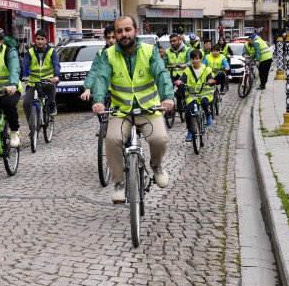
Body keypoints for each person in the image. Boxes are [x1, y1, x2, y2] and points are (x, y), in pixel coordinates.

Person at [91, 15, 175, 203]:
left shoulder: (149, 51)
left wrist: (168, 97)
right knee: (112, 140)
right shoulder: (108, 54)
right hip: (121, 111)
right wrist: (98, 101)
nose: (123, 34)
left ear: (136, 31)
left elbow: (161, 74)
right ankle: (119, 183)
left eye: (127, 30)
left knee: (159, 139)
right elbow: (102, 78)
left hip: (148, 109)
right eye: (119, 31)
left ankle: (157, 165)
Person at [176, 49, 215, 141]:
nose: (195, 61)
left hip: (204, 93)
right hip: (191, 95)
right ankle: (190, 131)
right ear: (190, 60)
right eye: (193, 59)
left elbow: (211, 78)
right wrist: (179, 81)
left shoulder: (206, 69)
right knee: (189, 110)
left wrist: (210, 81)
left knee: (205, 103)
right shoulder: (188, 70)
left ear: (201, 59)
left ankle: (208, 115)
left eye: (197, 58)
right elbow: (182, 78)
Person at [22, 29, 60, 119]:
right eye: (38, 39)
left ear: (46, 40)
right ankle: (32, 128)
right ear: (35, 40)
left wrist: (56, 76)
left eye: (42, 39)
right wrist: (19, 75)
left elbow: (56, 64)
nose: (40, 41)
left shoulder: (52, 52)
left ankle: (52, 104)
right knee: (26, 103)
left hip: (47, 81)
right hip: (33, 83)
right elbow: (24, 64)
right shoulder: (30, 52)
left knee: (50, 87)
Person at [80, 25, 115, 102]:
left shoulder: (124, 53)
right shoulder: (100, 53)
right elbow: (94, 71)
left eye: (113, 37)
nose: (111, 40)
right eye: (108, 38)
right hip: (106, 91)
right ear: (105, 39)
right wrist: (88, 88)